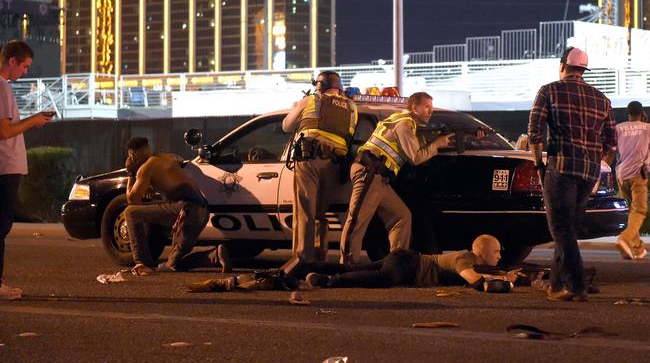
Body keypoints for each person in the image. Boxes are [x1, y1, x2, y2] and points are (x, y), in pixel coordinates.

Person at [528, 47, 616, 302]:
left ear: (562, 65)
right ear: (583, 70)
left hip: (562, 166)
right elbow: (611, 142)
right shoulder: (602, 99)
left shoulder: (549, 90)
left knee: (560, 227)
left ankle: (577, 285)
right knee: (568, 229)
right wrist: (596, 163)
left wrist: (537, 164)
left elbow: (535, 131)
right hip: (589, 172)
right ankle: (556, 285)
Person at [183, 234, 521, 293]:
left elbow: (484, 274)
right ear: (482, 253)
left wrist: (505, 273)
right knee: (385, 279)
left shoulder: (475, 261)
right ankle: (329, 283)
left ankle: (304, 271)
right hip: (408, 264)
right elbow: (477, 282)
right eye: (497, 254)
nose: (500, 256)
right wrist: (504, 282)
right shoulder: (465, 259)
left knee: (358, 269)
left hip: (404, 260)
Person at [339, 91, 452, 265]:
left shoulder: (402, 121)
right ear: (414, 108)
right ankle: (346, 265)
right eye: (427, 107)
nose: (431, 111)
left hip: (379, 177)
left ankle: (397, 263)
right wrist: (437, 144)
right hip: (369, 172)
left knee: (402, 216)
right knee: (357, 220)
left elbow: (413, 145)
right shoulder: (405, 124)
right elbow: (415, 157)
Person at [123, 137, 230, 274]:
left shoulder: (145, 168)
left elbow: (132, 200)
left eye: (130, 156)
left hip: (186, 211)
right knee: (174, 264)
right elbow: (179, 160)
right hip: (202, 211)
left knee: (130, 213)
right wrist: (150, 182)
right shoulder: (167, 157)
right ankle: (215, 255)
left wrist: (131, 173)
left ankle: (143, 263)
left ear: (134, 155)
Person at [282, 71, 358, 262]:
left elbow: (286, 126)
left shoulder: (310, 101)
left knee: (305, 212)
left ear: (319, 85)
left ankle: (302, 261)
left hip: (309, 160)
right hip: (334, 164)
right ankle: (319, 257)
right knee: (320, 213)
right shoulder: (352, 107)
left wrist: (296, 107)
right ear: (339, 87)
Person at [0, 40, 53, 300]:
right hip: (5, 167)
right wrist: (34, 121)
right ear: (12, 62)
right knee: (1, 227)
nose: (25, 72)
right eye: (24, 66)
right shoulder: (2, 87)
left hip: (5, 166)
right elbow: (5, 131)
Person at [614, 101, 650, 260]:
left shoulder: (618, 128)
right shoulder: (647, 128)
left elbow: (611, 151)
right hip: (638, 174)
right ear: (642, 112)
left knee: (630, 211)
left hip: (621, 175)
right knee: (640, 210)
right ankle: (625, 238)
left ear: (627, 113)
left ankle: (636, 249)